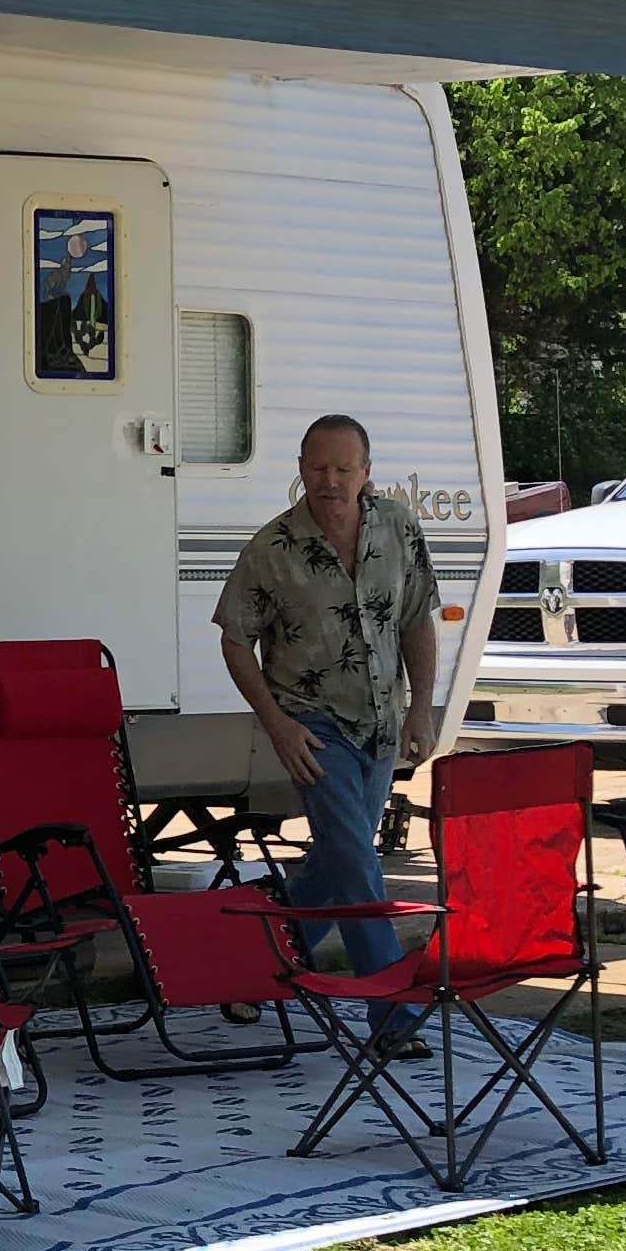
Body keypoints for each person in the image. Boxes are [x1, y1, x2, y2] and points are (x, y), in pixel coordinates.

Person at [217, 413, 442, 1051]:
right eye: (318, 467)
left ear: (367, 472)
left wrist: (420, 709)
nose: (331, 480)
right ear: (300, 470)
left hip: (381, 723)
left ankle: (252, 970)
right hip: (314, 728)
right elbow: (236, 641)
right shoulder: (273, 548)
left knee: (334, 865)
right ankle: (392, 1017)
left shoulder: (398, 526)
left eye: (345, 468)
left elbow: (418, 620)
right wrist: (278, 726)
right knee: (358, 861)